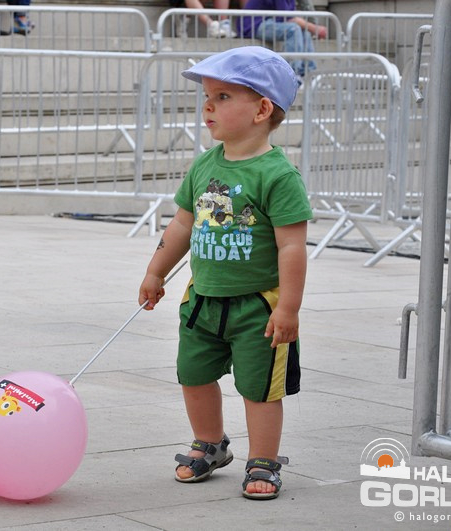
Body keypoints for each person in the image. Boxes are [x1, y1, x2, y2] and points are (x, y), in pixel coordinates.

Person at [137, 47, 311, 500]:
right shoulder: (204, 164)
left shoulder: (278, 175)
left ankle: (264, 460)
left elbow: (292, 246)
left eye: (222, 96)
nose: (208, 106)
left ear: (262, 109)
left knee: (259, 389)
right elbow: (181, 224)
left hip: (258, 307)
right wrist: (156, 271)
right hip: (203, 300)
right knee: (193, 375)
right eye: (207, 96)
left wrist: (289, 308)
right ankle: (210, 444)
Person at [236, 0, 326, 79]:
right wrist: (315, 28)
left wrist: (311, 28)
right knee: (293, 30)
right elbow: (287, 18)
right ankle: (292, 74)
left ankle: (310, 74)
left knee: (305, 31)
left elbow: (289, 17)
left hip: (268, 21)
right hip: (253, 25)